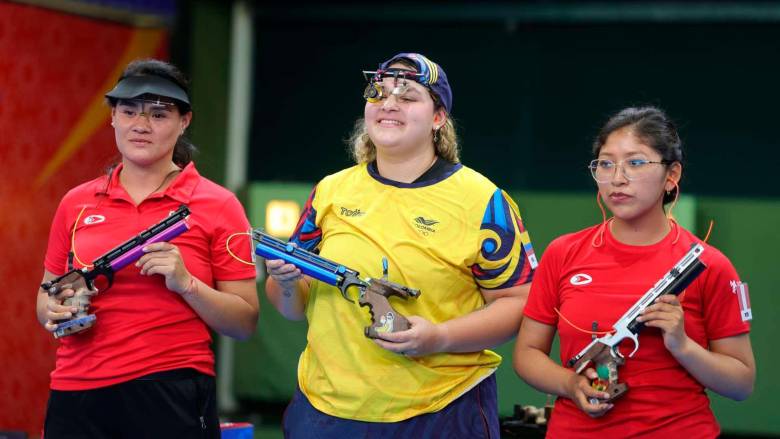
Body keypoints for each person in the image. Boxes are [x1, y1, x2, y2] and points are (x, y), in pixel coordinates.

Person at [265, 52, 537, 438]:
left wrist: (440, 337)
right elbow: (291, 308)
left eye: (408, 96)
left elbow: (519, 303)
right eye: (379, 93)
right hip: (327, 411)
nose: (389, 103)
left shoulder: (482, 200)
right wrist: (288, 282)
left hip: (441, 411)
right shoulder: (330, 190)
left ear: (438, 119)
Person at [37, 59, 259, 438]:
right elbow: (45, 300)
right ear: (112, 117)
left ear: (184, 122)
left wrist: (187, 283)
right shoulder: (76, 202)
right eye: (129, 111)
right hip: (76, 389)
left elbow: (244, 323)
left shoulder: (218, 204)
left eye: (159, 114)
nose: (141, 125)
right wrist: (56, 309)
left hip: (171, 388)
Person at [513, 106, 755, 438]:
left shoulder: (707, 265)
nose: (617, 178)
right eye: (605, 163)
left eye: (635, 162)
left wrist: (682, 345)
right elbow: (527, 353)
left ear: (672, 175)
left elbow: (741, 383)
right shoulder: (563, 253)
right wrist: (569, 383)